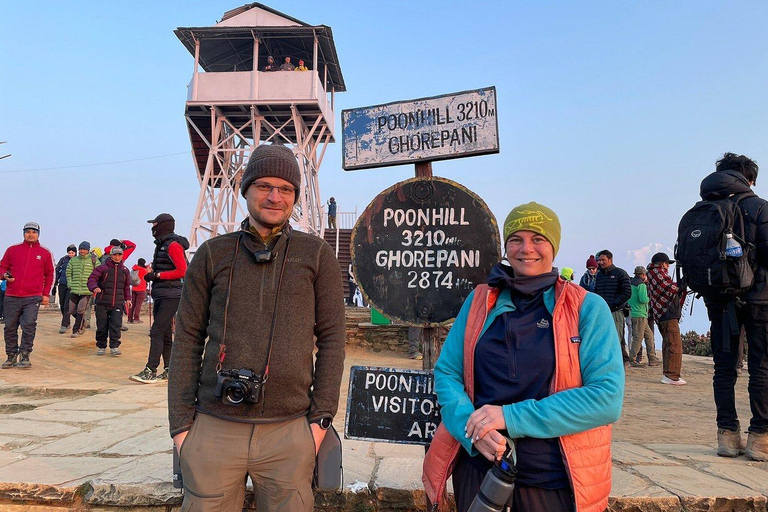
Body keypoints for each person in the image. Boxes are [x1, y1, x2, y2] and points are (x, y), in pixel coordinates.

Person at [168, 144, 346, 511]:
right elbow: (186, 338)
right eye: (264, 185)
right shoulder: (212, 254)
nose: (274, 197)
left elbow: (332, 339)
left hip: (291, 430)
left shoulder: (316, 255)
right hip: (214, 427)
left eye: (286, 189)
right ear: (245, 189)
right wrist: (182, 428)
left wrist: (319, 424)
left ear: (296, 196)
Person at [423, 202, 624, 512]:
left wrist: (509, 417)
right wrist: (473, 432)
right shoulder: (479, 301)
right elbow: (448, 373)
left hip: (552, 480)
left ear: (553, 246)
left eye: (538, 238)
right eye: (515, 239)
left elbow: (606, 398)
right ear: (506, 246)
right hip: (479, 471)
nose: (526, 248)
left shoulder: (587, 308)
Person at [698, 152, 768, 461]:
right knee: (761, 366)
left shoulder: (704, 210)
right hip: (759, 300)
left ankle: (726, 437)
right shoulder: (758, 207)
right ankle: (760, 439)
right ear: (749, 179)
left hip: (719, 301)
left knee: (724, 369)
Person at [130, 213, 189, 383]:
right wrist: (154, 275)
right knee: (163, 333)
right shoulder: (162, 245)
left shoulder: (173, 246)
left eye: (154, 224)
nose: (152, 227)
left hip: (172, 294)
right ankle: (170, 370)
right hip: (162, 294)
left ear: (163, 225)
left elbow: (182, 271)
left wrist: (157, 275)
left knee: (156, 331)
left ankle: (150, 370)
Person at [0, 222, 54, 369]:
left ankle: (25, 355)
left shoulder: (45, 253)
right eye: (28, 231)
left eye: (34, 232)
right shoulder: (12, 250)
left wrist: (46, 294)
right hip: (12, 295)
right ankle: (11, 356)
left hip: (33, 297)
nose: (31, 234)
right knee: (10, 327)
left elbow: (49, 274)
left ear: (38, 234)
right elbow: (2, 266)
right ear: (23, 233)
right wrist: (4, 275)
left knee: (29, 325)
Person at [646, 252, 686, 386]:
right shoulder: (657, 273)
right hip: (666, 313)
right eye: (667, 263)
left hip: (662, 314)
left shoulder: (652, 273)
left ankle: (668, 373)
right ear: (662, 263)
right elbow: (670, 288)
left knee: (668, 343)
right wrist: (683, 284)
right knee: (674, 344)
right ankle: (672, 375)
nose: (668, 267)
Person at [88, 247, 131, 356]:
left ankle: (114, 346)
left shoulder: (125, 270)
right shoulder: (102, 268)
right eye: (115, 255)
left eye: (119, 255)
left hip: (118, 302)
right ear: (111, 256)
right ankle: (101, 346)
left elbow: (126, 287)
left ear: (122, 256)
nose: (117, 257)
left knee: (116, 325)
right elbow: (92, 279)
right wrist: (94, 287)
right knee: (102, 326)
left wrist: (128, 299)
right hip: (102, 302)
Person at [595, 250, 632, 364]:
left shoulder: (620, 273)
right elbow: (596, 291)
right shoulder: (599, 274)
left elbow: (627, 292)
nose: (600, 262)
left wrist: (614, 303)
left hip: (616, 311)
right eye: (599, 260)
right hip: (602, 311)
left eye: (603, 260)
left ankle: (619, 361)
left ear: (610, 260)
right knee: (603, 337)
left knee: (616, 337)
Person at [628, 266, 660, 367]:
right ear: (643, 275)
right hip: (640, 314)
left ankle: (652, 358)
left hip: (634, 313)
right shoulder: (641, 285)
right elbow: (643, 299)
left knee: (649, 336)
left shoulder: (631, 284)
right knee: (638, 338)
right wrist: (649, 298)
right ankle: (632, 359)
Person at [66, 242, 97, 338]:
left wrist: (94, 286)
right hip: (74, 289)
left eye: (84, 249)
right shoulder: (73, 260)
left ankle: (76, 330)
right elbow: (68, 272)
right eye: (80, 249)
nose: (82, 251)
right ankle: (83, 321)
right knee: (71, 310)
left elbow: (98, 273)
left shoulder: (93, 260)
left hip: (86, 290)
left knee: (80, 309)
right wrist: (70, 283)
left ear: (88, 250)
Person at [54, 245, 77, 334]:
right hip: (62, 284)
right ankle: (70, 321)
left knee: (67, 305)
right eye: (69, 253)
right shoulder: (63, 260)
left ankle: (64, 324)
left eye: (72, 253)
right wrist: (55, 282)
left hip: (72, 285)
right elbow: (57, 271)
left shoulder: (77, 260)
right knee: (62, 304)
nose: (71, 254)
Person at [128, 258, 148, 323]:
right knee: (138, 305)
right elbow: (148, 273)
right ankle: (136, 318)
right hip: (141, 289)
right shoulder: (143, 270)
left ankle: (129, 319)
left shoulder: (134, 269)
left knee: (132, 304)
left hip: (134, 288)